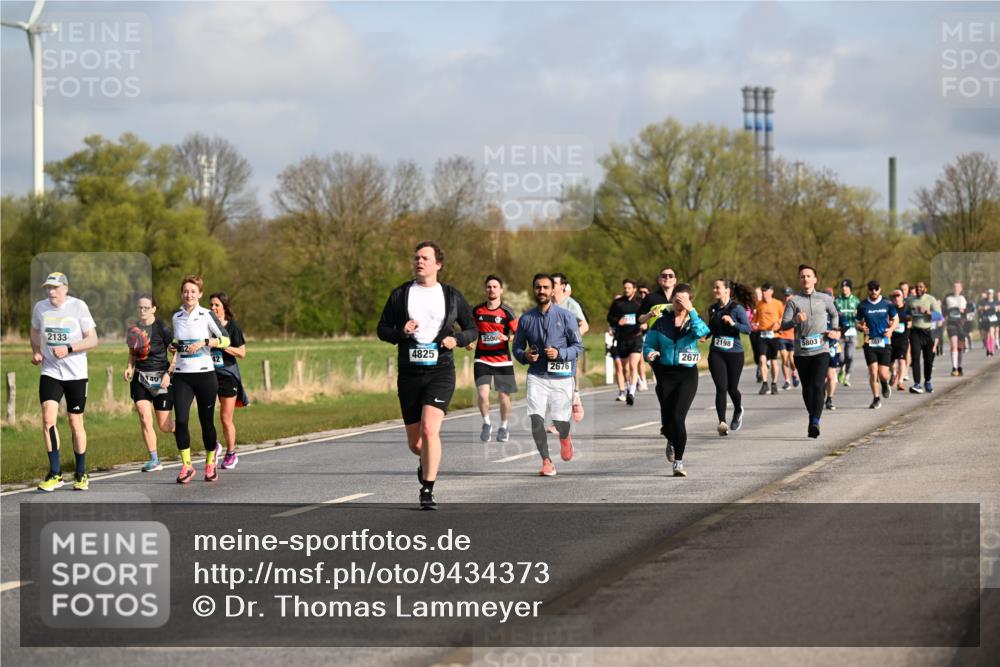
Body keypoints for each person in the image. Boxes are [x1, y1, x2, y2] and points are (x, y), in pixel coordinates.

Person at [377, 241, 476, 509]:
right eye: (417, 258)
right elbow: (382, 329)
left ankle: (427, 489)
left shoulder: (451, 296)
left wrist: (456, 339)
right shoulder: (401, 294)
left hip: (441, 370)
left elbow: (472, 328)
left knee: (431, 429)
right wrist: (402, 332)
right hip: (410, 373)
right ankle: (426, 463)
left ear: (438, 264)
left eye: (425, 258)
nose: (419, 262)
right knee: (416, 443)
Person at [31, 272, 99, 491]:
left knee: (74, 421)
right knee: (48, 418)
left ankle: (81, 473)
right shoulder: (40, 308)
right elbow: (34, 331)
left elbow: (93, 339)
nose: (51, 292)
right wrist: (36, 351)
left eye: (55, 288)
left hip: (76, 374)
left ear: (65, 289)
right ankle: (55, 473)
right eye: (48, 288)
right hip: (51, 371)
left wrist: (69, 348)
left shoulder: (79, 306)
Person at [513, 273, 583, 477]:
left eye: (545, 287)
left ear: (553, 290)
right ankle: (546, 461)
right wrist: (525, 356)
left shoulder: (566, 316)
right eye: (538, 287)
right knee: (536, 419)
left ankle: (565, 436)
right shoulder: (526, 319)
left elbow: (578, 346)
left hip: (561, 377)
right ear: (534, 290)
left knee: (560, 422)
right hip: (537, 376)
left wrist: (560, 353)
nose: (541, 291)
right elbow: (517, 349)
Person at [643, 283, 710, 476]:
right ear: (671, 300)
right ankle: (670, 436)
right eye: (676, 299)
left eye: (683, 300)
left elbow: (702, 333)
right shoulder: (661, 322)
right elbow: (648, 344)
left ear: (690, 301)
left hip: (686, 375)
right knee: (668, 421)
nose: (679, 303)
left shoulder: (694, 320)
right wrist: (650, 353)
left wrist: (692, 311)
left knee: (678, 417)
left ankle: (678, 462)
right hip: (664, 373)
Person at [170, 275, 231, 484]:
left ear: (200, 294)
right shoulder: (176, 316)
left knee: (206, 423)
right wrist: (173, 346)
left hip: (205, 374)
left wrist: (205, 341)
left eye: (193, 292)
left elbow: (225, 339)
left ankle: (210, 461)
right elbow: (178, 341)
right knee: (181, 421)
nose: (189, 295)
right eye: (186, 291)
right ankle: (186, 466)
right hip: (181, 376)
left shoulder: (206, 315)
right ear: (182, 293)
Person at [779, 265, 840, 438]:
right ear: (799, 280)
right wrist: (795, 321)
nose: (805, 279)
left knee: (818, 385)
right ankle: (812, 415)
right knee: (807, 388)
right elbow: (783, 325)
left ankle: (815, 421)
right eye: (802, 276)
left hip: (821, 349)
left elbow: (835, 314)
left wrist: (834, 329)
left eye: (808, 276)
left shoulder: (824, 299)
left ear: (815, 279)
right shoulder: (793, 301)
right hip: (801, 352)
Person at [124, 295, 174, 472]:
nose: (143, 311)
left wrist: (169, 373)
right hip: (141, 379)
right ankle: (154, 459)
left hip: (161, 379)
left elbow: (175, 352)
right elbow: (132, 352)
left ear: (154, 309)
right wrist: (130, 367)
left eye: (146, 307)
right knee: (145, 418)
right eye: (140, 308)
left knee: (164, 426)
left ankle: (181, 431)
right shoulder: (133, 329)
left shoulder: (162, 327)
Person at [469, 275, 519, 443]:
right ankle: (486, 423)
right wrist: (469, 341)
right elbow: (470, 330)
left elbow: (520, 335)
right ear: (485, 290)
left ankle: (504, 426)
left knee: (504, 397)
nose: (491, 289)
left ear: (501, 290)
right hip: (482, 359)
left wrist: (508, 338)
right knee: (483, 394)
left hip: (502, 360)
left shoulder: (507, 312)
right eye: (489, 286)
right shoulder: (477, 311)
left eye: (495, 286)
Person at [707, 279, 753, 436]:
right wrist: (703, 335)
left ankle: (738, 409)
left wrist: (733, 323)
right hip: (716, 352)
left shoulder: (737, 309)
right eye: (714, 287)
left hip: (734, 354)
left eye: (718, 287)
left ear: (727, 290)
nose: (715, 290)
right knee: (721, 388)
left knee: (732, 388)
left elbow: (748, 329)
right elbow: (711, 329)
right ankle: (722, 422)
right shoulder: (712, 308)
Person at [209, 292, 248, 470]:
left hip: (227, 376)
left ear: (224, 307)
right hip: (208, 374)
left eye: (216, 305)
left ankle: (231, 453)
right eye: (211, 305)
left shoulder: (233, 327)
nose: (213, 308)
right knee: (206, 416)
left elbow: (242, 353)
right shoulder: (207, 325)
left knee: (225, 418)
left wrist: (223, 345)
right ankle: (215, 445)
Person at [855, 280, 898, 409]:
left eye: (876, 288)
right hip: (869, 342)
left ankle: (885, 384)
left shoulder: (888, 304)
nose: (873, 291)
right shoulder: (863, 305)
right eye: (871, 289)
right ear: (868, 290)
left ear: (880, 289)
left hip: (884, 342)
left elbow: (896, 319)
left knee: (883, 374)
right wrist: (862, 328)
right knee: (873, 372)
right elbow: (857, 322)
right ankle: (876, 398)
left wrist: (890, 330)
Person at [551, 272, 588, 421]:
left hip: (567, 348)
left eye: (554, 283)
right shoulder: (546, 304)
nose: (551, 287)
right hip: (550, 349)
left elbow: (584, 325)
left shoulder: (571, 305)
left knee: (566, 382)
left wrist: (573, 339)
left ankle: (576, 396)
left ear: (562, 286)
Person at [606, 279, 644, 405]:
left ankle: (631, 393)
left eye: (629, 288)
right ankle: (627, 387)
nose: (626, 290)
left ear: (634, 289)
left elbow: (648, 315)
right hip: (622, 339)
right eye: (625, 288)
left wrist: (645, 325)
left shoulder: (640, 302)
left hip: (636, 338)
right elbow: (609, 317)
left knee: (633, 366)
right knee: (624, 368)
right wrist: (618, 322)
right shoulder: (618, 303)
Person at [751, 283, 783, 395]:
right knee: (762, 359)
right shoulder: (759, 304)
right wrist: (754, 324)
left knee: (773, 361)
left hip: (774, 335)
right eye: (763, 291)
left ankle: (774, 383)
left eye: (766, 291)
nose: (764, 293)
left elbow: (783, 317)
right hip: (762, 335)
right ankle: (765, 384)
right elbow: (755, 319)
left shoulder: (778, 303)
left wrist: (778, 323)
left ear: (771, 291)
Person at [907, 281, 939, 393]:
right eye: (917, 287)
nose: (918, 288)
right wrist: (908, 316)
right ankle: (916, 383)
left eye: (921, 287)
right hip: (915, 332)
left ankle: (928, 381)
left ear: (925, 288)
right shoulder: (910, 300)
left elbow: (939, 315)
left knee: (928, 360)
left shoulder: (930, 299)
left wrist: (927, 312)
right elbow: (905, 313)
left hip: (928, 332)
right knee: (915, 357)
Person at [834, 279, 861, 386]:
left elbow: (861, 316)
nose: (844, 288)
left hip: (852, 332)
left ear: (850, 288)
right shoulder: (837, 301)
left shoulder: (856, 301)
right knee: (840, 356)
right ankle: (841, 369)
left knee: (850, 356)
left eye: (846, 287)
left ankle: (847, 376)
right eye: (842, 287)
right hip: (840, 332)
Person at [943, 282, 968, 376]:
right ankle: (954, 367)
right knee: (953, 345)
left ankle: (959, 366)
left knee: (960, 347)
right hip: (951, 324)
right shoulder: (948, 299)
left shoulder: (964, 298)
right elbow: (943, 310)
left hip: (962, 325)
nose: (956, 288)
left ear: (961, 288)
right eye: (954, 287)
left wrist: (964, 311)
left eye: (958, 287)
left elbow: (971, 310)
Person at [889, 289, 911, 391]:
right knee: (890, 363)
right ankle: (893, 374)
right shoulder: (891, 309)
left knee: (902, 361)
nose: (896, 298)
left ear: (902, 297)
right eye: (895, 297)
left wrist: (910, 323)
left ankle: (900, 382)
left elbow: (912, 319)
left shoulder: (908, 308)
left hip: (903, 339)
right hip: (891, 339)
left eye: (898, 296)